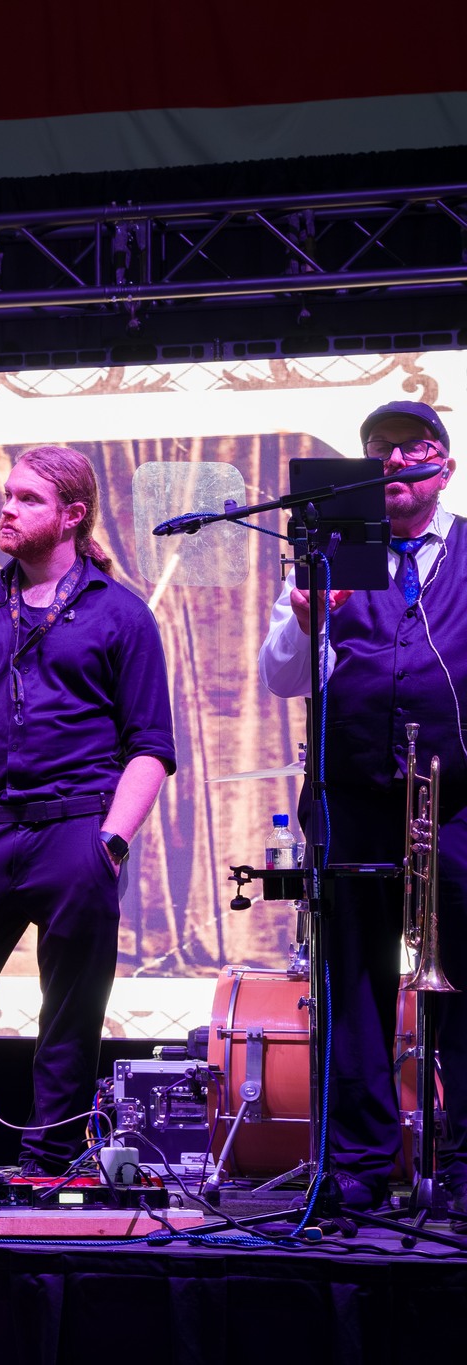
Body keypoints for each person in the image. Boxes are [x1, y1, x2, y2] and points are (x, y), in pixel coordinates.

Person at [0, 445, 174, 1173]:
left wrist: (109, 843)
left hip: (75, 830)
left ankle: (49, 1164)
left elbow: (150, 747)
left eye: (28, 499)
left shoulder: (122, 615)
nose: (8, 509)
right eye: (7, 495)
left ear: (72, 515)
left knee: (72, 1012)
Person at [258, 399, 465, 1214]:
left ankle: (463, 1167)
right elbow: (282, 677)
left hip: (459, 800)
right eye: (379, 449)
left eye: (412, 447)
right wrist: (309, 621)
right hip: (349, 794)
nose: (395, 461)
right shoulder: (328, 554)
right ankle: (358, 1165)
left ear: (444, 464)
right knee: (351, 981)